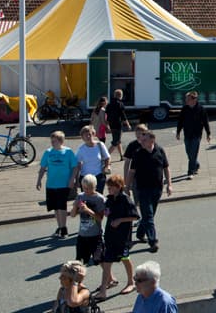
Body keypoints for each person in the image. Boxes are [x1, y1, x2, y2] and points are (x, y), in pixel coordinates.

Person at [127, 129, 172, 253]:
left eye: (144, 139)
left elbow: (166, 168)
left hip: (157, 188)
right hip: (142, 189)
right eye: (141, 139)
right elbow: (132, 171)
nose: (141, 141)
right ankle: (153, 241)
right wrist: (127, 186)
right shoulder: (138, 153)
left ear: (152, 140)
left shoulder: (160, 151)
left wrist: (169, 184)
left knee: (149, 215)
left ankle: (141, 232)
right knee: (149, 216)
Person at [98, 173, 138, 301]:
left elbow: (135, 216)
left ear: (119, 186)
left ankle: (131, 283)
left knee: (125, 258)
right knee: (107, 261)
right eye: (108, 187)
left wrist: (120, 220)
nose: (108, 189)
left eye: (111, 187)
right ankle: (103, 290)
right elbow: (107, 212)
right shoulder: (110, 198)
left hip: (122, 237)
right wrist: (106, 212)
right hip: (110, 235)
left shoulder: (126, 199)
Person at [37, 131, 79, 239]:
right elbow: (42, 168)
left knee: (62, 205)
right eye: (51, 141)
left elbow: (75, 167)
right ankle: (60, 226)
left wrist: (72, 180)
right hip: (51, 184)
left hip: (63, 184)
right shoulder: (48, 152)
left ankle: (64, 228)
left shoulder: (68, 152)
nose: (52, 143)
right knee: (55, 207)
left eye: (54, 141)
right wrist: (39, 180)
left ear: (61, 141)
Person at [70, 173, 106, 265]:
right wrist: (75, 206)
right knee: (80, 262)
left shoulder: (100, 199)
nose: (85, 190)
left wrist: (87, 210)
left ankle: (110, 278)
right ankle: (79, 279)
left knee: (100, 261)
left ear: (94, 186)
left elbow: (100, 218)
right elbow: (72, 215)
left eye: (88, 188)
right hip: (82, 235)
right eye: (84, 187)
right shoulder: (81, 196)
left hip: (95, 235)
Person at [176, 91, 211, 179]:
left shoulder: (201, 109)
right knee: (189, 152)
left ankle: (190, 172)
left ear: (194, 100)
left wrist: (208, 134)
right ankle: (196, 164)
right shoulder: (184, 109)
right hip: (187, 134)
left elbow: (205, 122)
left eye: (187, 99)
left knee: (193, 153)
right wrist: (178, 132)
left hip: (197, 134)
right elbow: (180, 121)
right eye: (186, 99)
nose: (186, 101)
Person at [77, 125, 111, 194]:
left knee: (98, 198)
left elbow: (107, 157)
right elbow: (77, 164)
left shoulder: (100, 145)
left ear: (93, 134)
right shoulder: (81, 149)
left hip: (99, 176)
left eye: (89, 134)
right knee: (87, 199)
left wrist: (107, 166)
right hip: (85, 178)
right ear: (82, 138)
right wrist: (76, 179)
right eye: (85, 135)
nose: (88, 137)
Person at [107, 89, 131, 162]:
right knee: (115, 142)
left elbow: (107, 114)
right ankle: (105, 156)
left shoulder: (109, 104)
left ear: (114, 95)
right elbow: (123, 116)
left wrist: (107, 124)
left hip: (111, 124)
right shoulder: (120, 104)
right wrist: (128, 124)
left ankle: (122, 156)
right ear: (120, 96)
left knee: (118, 141)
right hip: (118, 124)